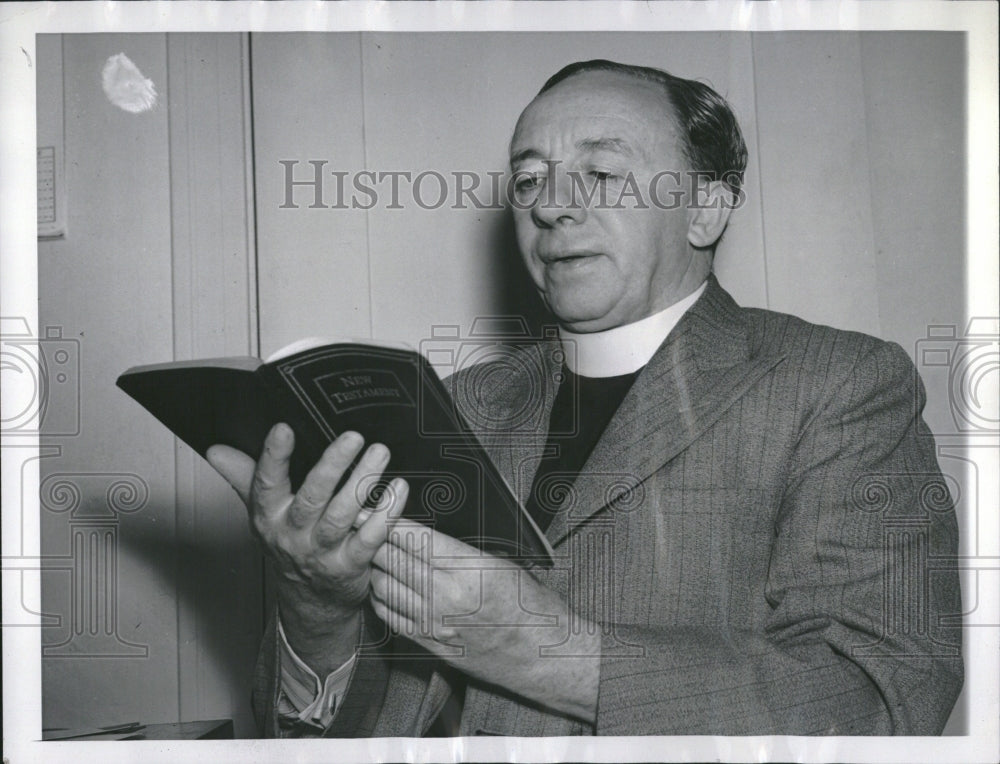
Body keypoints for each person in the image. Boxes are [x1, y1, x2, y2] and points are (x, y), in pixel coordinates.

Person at [207, 59, 962, 737]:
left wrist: (553, 657)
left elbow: (884, 699)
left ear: (706, 208)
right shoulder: (456, 404)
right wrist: (318, 608)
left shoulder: (837, 384)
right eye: (530, 179)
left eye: (601, 173)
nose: (551, 207)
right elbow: (325, 731)